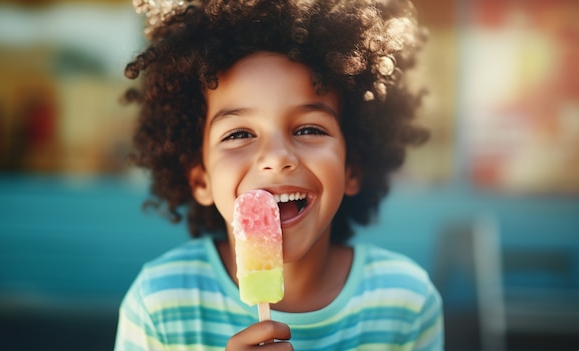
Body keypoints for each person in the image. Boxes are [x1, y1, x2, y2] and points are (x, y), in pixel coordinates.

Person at [115, 0, 444, 350]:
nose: (276, 157)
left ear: (353, 168)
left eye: (308, 129)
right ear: (201, 180)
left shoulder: (405, 302)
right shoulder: (159, 304)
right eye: (239, 134)